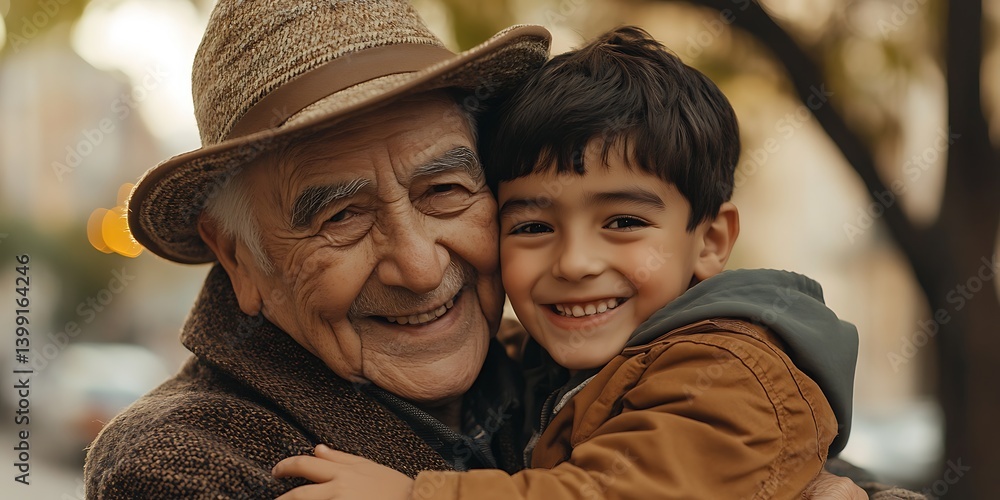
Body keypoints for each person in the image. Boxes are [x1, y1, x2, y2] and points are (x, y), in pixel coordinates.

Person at [83, 1, 865, 498]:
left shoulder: (559, 366)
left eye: (445, 192)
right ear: (240, 261)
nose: (421, 266)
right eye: (342, 218)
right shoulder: (183, 463)